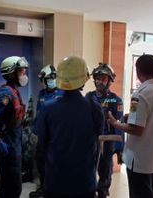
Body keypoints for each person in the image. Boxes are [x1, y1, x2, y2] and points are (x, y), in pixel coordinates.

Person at [36, 56, 104, 198]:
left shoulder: (47, 109)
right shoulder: (93, 108)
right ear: (84, 78)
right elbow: (99, 138)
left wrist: (44, 179)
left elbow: (41, 148)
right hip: (84, 183)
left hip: (55, 183)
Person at [107, 54, 153, 198]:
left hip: (141, 162)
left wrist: (115, 123)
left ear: (138, 72)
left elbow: (136, 130)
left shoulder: (140, 95)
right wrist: (129, 117)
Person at [0, 56, 29, 198]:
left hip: (14, 146)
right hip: (8, 149)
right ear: (11, 74)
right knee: (13, 188)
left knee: (11, 187)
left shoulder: (14, 91)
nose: (24, 75)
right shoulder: (6, 94)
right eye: (21, 71)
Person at [85, 63, 124, 198]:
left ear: (109, 81)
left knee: (105, 168)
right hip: (91, 139)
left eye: (104, 79)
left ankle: (102, 191)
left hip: (107, 141)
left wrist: (120, 148)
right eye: (98, 78)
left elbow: (117, 123)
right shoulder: (89, 97)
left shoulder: (115, 99)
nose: (100, 81)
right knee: (89, 166)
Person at [29, 64, 64, 198]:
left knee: (55, 163)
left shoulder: (62, 93)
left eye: (53, 77)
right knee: (41, 161)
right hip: (43, 137)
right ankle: (44, 187)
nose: (50, 80)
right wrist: (34, 132)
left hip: (56, 136)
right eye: (48, 78)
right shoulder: (42, 94)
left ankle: (56, 189)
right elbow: (38, 115)